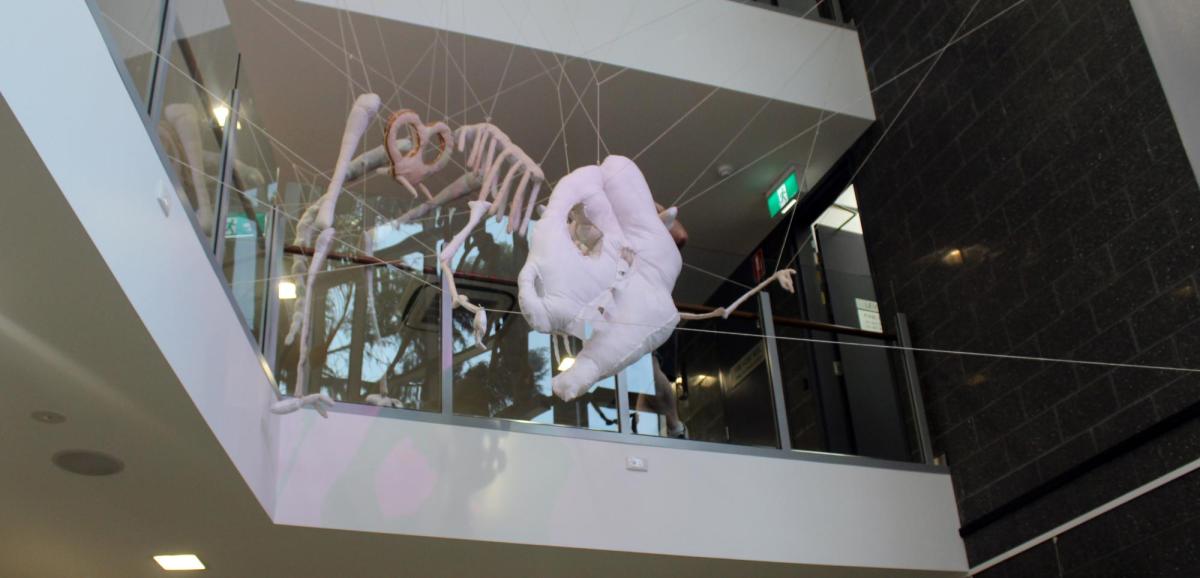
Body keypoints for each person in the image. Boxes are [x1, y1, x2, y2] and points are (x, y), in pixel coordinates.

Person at [635, 204, 688, 438]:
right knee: (642, 381)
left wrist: (649, 203)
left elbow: (680, 235)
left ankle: (675, 426)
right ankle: (666, 431)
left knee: (651, 370)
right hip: (630, 318)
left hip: (656, 314)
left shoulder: (651, 242)